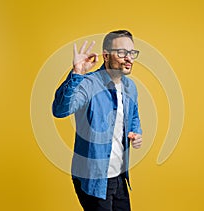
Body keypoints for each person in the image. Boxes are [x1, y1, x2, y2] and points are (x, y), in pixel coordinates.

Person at [52, 30, 142, 211]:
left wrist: (136, 132)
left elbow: (133, 115)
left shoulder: (130, 87)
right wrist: (76, 73)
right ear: (106, 56)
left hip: (119, 176)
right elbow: (60, 110)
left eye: (132, 53)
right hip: (93, 177)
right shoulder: (88, 83)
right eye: (122, 53)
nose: (129, 58)